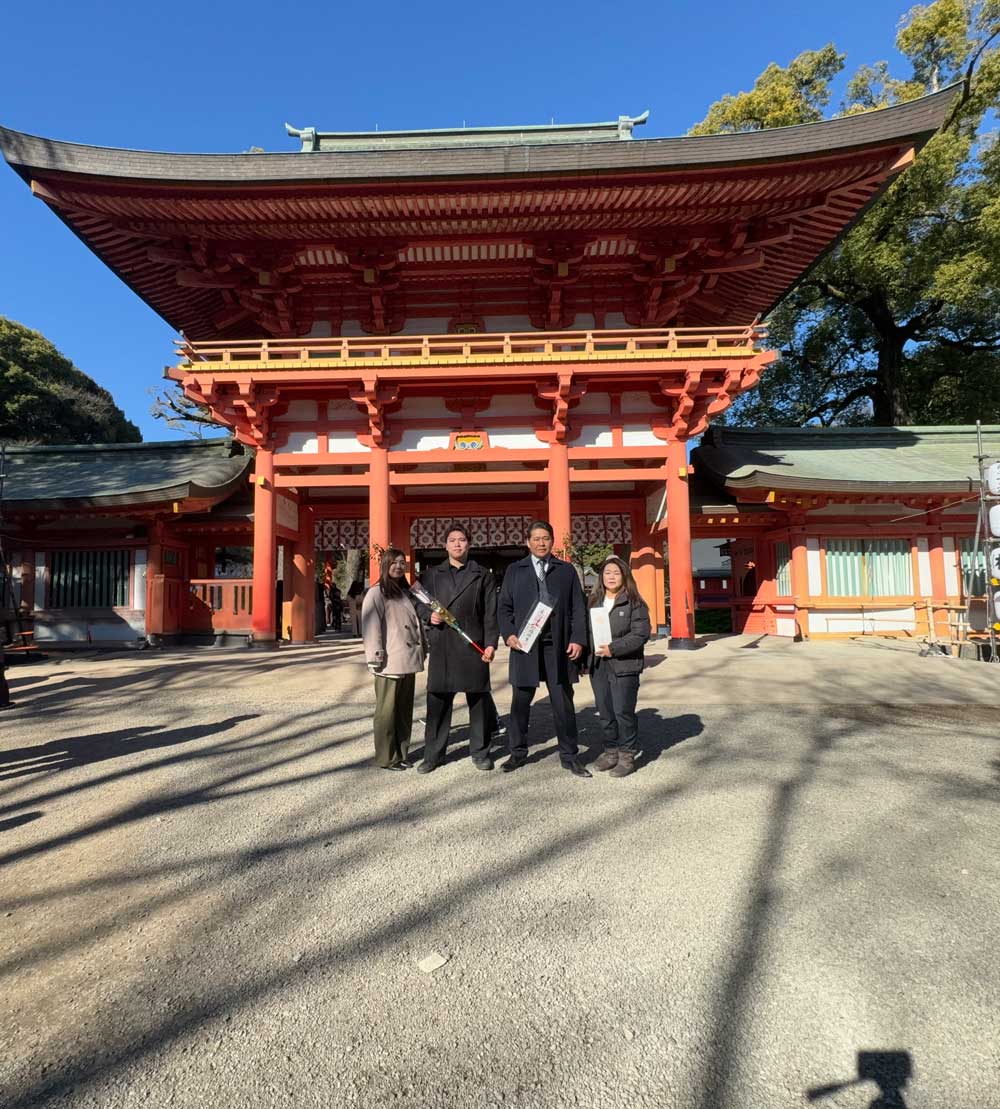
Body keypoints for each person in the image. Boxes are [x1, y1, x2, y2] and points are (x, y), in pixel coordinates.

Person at [497, 520, 590, 778]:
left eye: (545, 538)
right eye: (536, 538)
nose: (541, 543)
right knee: (520, 703)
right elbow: (503, 607)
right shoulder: (515, 570)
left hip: (557, 645)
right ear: (527, 542)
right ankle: (517, 752)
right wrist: (509, 634)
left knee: (562, 701)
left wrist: (578, 639)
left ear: (552, 541)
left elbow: (578, 609)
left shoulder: (566, 570)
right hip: (525, 646)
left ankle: (570, 755)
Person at [415, 523, 499, 773]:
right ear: (445, 545)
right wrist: (428, 616)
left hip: (473, 642)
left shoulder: (482, 574)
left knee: (479, 700)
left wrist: (492, 643)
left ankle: (480, 751)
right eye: (452, 540)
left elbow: (490, 613)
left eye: (462, 540)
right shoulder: (431, 575)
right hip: (443, 643)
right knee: (438, 700)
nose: (457, 544)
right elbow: (417, 602)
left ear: (469, 544)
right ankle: (433, 754)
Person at [361, 549, 426, 771]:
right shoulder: (376, 592)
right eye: (394, 562)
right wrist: (375, 656)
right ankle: (386, 757)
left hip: (406, 658)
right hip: (389, 659)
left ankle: (401, 752)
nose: (398, 566)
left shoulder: (405, 592)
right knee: (386, 712)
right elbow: (371, 628)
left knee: (403, 710)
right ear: (385, 565)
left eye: (402, 562)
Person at [587, 556, 651, 778]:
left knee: (622, 711)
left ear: (624, 576)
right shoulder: (594, 601)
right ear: (601, 577)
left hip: (624, 665)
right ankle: (610, 751)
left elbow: (640, 634)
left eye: (616, 572)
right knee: (605, 712)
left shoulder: (635, 602)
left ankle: (626, 755)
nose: (611, 577)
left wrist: (613, 648)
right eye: (607, 573)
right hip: (598, 665)